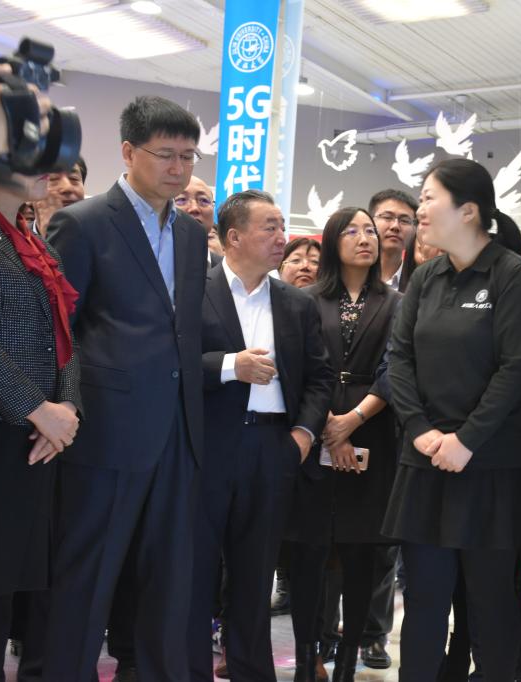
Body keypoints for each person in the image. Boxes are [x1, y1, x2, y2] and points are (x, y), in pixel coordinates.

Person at [44, 95, 208, 682]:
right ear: (128, 151)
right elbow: (58, 330)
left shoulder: (191, 235)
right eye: (166, 155)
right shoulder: (84, 223)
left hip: (179, 431)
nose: (178, 168)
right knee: (87, 576)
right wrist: (64, 408)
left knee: (170, 580)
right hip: (107, 429)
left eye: (188, 156)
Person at [382, 158, 521, 681]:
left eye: (429, 198)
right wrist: (421, 430)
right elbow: (399, 359)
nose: (420, 210)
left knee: (490, 602)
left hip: (490, 464)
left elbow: (514, 369)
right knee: (424, 600)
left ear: (469, 211)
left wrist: (466, 440)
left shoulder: (514, 276)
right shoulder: (426, 277)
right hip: (426, 460)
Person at [186, 190, 332, 682]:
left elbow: (320, 377)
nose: (281, 237)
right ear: (233, 236)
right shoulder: (193, 291)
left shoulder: (296, 303)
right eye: (270, 227)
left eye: (282, 226)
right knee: (196, 570)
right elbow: (171, 363)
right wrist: (231, 366)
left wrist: (303, 436)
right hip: (206, 447)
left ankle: (251, 669)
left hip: (274, 448)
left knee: (256, 574)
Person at [288, 206, 401, 682]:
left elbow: (398, 368)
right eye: (352, 231)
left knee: (361, 555)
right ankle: (307, 656)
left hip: (373, 431)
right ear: (332, 241)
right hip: (314, 431)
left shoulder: (397, 302)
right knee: (308, 553)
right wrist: (326, 426)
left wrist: (352, 420)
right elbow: (298, 368)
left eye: (369, 230)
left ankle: (349, 661)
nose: (365, 238)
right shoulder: (305, 300)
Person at [0, 167, 81, 681]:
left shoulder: (31, 238)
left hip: (30, 440)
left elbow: (64, 332)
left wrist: (67, 407)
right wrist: (36, 408)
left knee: (2, 593)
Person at [370, 189, 417, 291]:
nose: (395, 226)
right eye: (387, 217)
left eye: (404, 220)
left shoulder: (420, 284)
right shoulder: (351, 277)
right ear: (370, 222)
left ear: (414, 229)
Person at [30, 158, 87, 238]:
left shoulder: (101, 234)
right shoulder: (14, 240)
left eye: (74, 178)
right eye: (53, 179)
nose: (67, 187)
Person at [174, 176, 221, 266]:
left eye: (203, 200)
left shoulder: (227, 270)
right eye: (182, 199)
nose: (194, 208)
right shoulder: (154, 261)